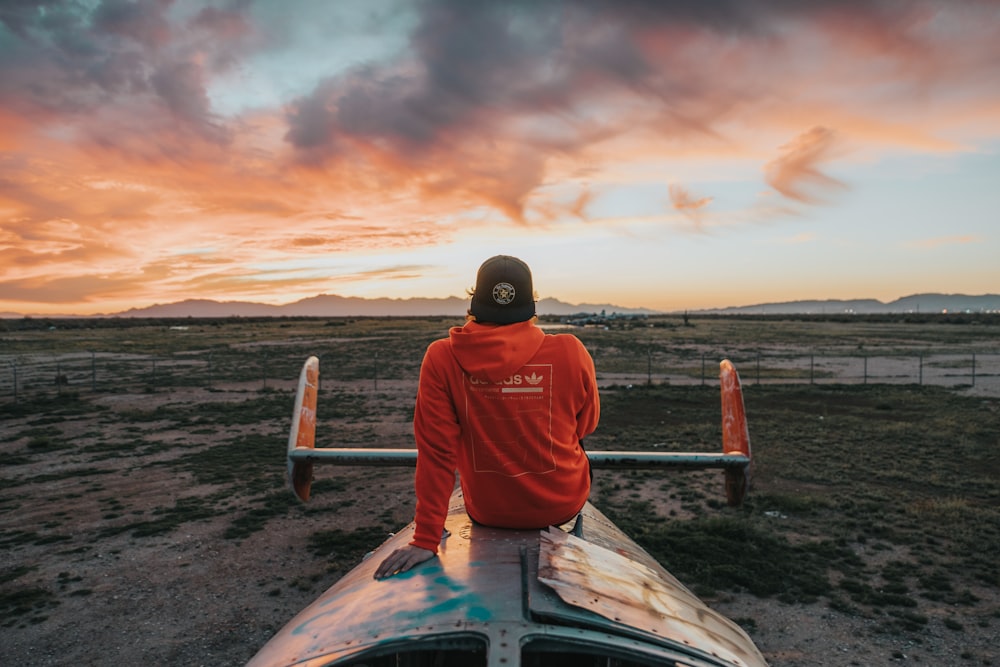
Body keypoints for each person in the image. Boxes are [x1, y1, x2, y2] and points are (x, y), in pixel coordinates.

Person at [374, 255, 600, 579]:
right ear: (531, 304)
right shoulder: (571, 350)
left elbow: (437, 452)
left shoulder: (441, 358)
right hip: (561, 507)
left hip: (489, 512)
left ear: (473, 302)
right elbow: (586, 425)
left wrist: (426, 539)